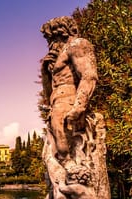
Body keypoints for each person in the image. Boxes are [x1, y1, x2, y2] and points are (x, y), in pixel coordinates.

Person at [40, 16, 98, 165]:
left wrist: (79, 106)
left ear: (61, 33)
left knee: (59, 127)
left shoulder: (77, 45)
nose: (50, 44)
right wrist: (45, 72)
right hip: (56, 101)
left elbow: (89, 75)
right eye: (48, 40)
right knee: (56, 132)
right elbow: (48, 94)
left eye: (52, 38)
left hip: (69, 98)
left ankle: (70, 167)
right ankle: (66, 169)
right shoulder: (58, 55)